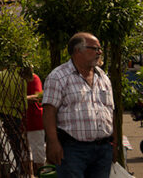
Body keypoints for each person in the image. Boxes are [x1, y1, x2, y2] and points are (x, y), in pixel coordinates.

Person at [43, 32, 113, 178]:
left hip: (103, 150)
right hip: (72, 150)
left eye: (100, 49)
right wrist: (52, 143)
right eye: (94, 48)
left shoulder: (103, 77)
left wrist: (115, 143)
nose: (99, 52)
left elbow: (111, 111)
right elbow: (49, 112)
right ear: (77, 51)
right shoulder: (59, 76)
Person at [22, 66, 44, 174]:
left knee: (38, 150)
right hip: (22, 119)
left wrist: (19, 98)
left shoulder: (34, 78)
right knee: (25, 150)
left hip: (35, 119)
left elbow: (36, 97)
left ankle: (43, 174)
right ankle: (30, 174)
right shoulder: (18, 79)